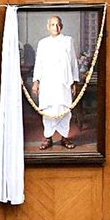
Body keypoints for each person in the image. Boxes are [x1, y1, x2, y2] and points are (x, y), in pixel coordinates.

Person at [32, 16, 79, 150]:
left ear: (61, 26)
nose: (55, 27)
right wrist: (36, 81)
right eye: (52, 25)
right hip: (47, 82)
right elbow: (39, 63)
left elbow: (73, 62)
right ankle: (48, 138)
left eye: (58, 25)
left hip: (63, 82)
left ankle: (65, 137)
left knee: (64, 110)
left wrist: (74, 81)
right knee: (48, 109)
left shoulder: (68, 41)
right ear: (48, 27)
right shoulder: (43, 43)